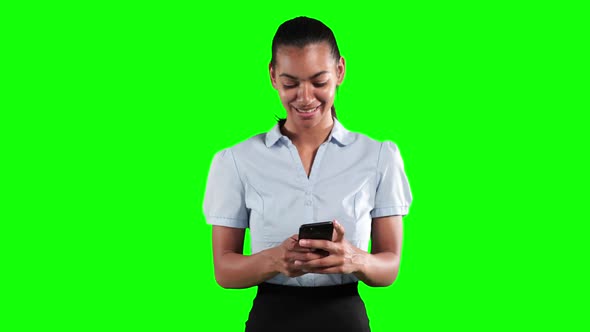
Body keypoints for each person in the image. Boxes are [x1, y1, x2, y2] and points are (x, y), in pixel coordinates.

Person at [203, 16, 412, 332]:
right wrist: (276, 260)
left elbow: (390, 267)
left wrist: (352, 259)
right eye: (290, 83)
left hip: (346, 320)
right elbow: (224, 270)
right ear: (273, 76)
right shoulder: (235, 160)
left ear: (340, 71)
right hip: (270, 320)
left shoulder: (380, 156)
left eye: (319, 82)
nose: (304, 97)